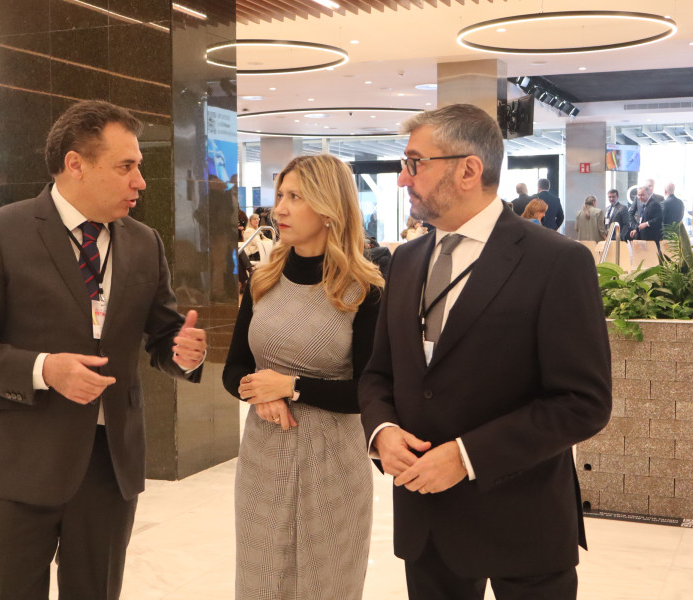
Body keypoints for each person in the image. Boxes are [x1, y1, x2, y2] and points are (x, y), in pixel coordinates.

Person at [0, 100, 208, 600]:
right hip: (18, 463)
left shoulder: (144, 243)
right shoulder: (0, 232)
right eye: (126, 166)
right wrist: (43, 369)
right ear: (76, 164)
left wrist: (182, 352)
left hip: (109, 466)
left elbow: (162, 334)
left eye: (139, 167)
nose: (140, 181)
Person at [359, 103, 612, 600]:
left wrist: (467, 456)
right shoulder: (406, 261)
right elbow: (377, 374)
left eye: (415, 163)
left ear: (469, 169)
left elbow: (583, 402)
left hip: (523, 522)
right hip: (426, 524)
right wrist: (381, 431)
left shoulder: (556, 262)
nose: (402, 179)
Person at [223, 153, 384, 600]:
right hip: (262, 456)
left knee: (326, 582)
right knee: (260, 581)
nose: (280, 209)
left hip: (332, 462)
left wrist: (292, 387)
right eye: (280, 196)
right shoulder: (263, 277)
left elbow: (369, 392)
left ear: (329, 206)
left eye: (295, 196)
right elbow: (235, 366)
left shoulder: (364, 289)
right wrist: (259, 391)